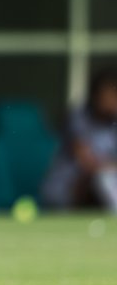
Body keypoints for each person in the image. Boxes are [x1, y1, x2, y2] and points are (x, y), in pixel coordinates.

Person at [42, 68, 117, 212]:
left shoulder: (113, 122)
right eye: (108, 95)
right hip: (67, 187)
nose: (112, 101)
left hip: (99, 193)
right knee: (103, 177)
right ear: (96, 95)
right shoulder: (79, 117)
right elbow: (87, 162)